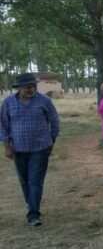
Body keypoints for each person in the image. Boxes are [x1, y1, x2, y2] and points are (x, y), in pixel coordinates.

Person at [0, 73, 60, 226]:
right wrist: (7, 146)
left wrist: (51, 140)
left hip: (40, 148)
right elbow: (3, 126)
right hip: (18, 149)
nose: (31, 89)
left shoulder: (44, 101)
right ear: (19, 88)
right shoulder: (8, 103)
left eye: (33, 86)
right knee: (24, 181)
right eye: (27, 87)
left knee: (35, 181)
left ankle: (33, 214)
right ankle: (32, 204)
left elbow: (54, 121)